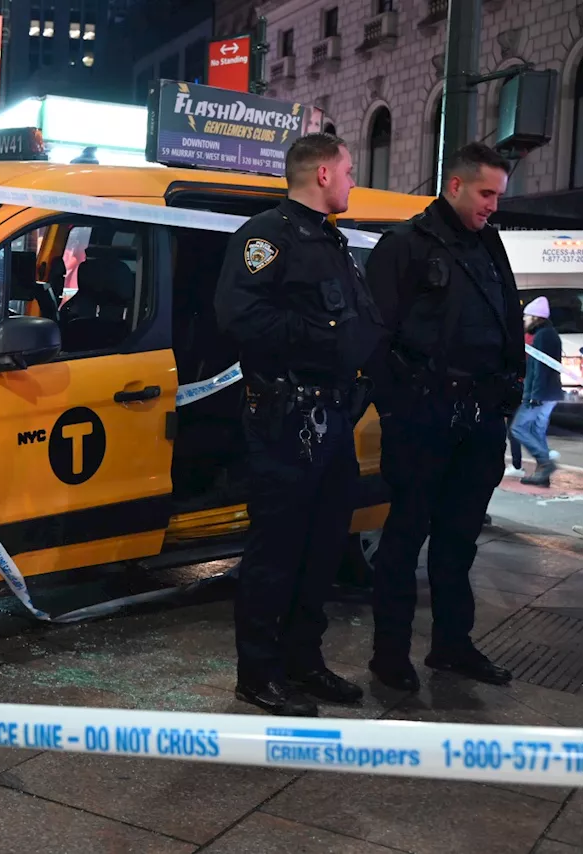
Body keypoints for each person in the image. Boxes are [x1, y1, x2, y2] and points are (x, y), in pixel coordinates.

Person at [214, 133, 383, 716]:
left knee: (322, 547)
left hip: (331, 417)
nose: (353, 180)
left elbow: (360, 322)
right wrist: (327, 342)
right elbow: (241, 317)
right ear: (321, 175)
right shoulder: (268, 236)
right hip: (286, 419)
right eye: (349, 171)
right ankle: (257, 674)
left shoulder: (332, 241)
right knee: (277, 550)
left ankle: (302, 662)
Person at [364, 143, 524, 692]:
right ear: (454, 186)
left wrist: (507, 400)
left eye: (498, 196)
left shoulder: (488, 243)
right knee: (405, 537)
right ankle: (390, 655)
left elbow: (508, 317)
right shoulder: (404, 245)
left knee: (459, 539)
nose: (492, 206)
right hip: (423, 415)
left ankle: (452, 646)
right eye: (486, 193)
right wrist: (398, 408)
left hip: (478, 417)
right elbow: (375, 337)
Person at [512, 296, 562, 486]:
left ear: (535, 317)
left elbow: (539, 369)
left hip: (540, 394)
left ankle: (545, 462)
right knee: (537, 431)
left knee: (518, 428)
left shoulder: (542, 336)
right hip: (549, 393)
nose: (524, 320)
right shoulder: (550, 334)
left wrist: (534, 395)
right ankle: (543, 475)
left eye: (526, 317)